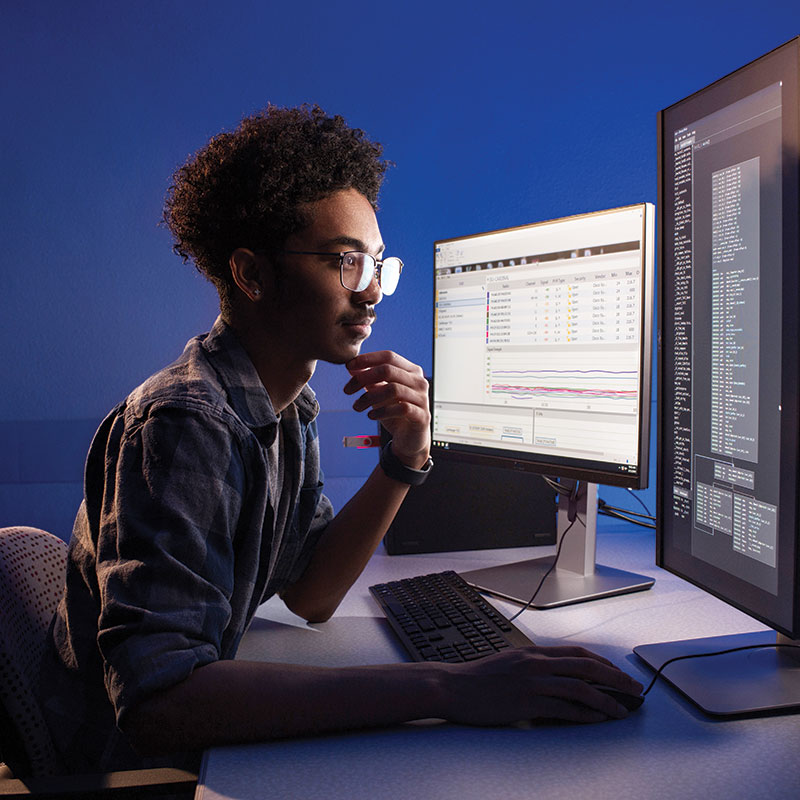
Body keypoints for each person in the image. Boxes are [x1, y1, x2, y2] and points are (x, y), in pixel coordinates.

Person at [40, 104, 643, 775]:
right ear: (252, 275)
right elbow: (160, 704)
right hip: (124, 772)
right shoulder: (187, 424)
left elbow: (312, 595)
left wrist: (407, 455)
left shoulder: (287, 407)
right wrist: (448, 686)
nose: (371, 294)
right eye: (344, 261)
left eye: (378, 264)